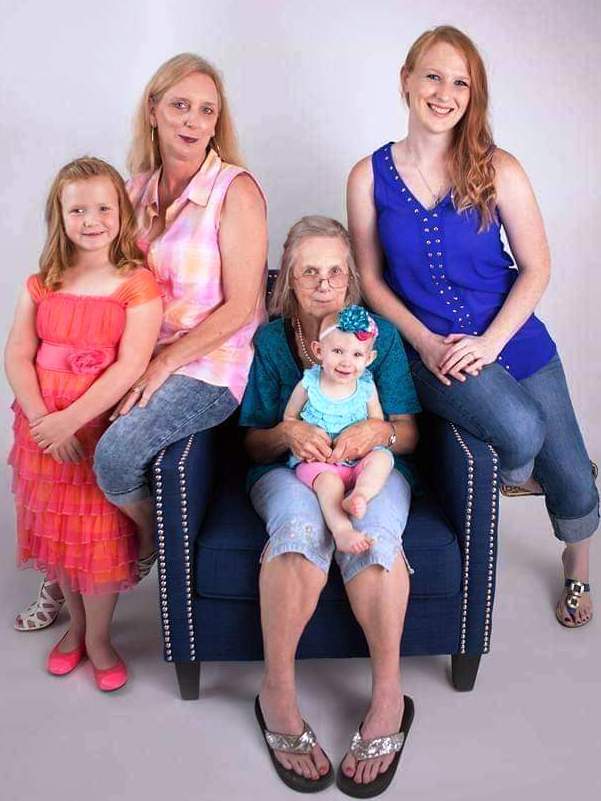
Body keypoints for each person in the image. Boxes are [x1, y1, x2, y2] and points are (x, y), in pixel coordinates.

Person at [347, 25, 599, 629]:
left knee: (571, 477)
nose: (445, 93)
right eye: (433, 76)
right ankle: (524, 467)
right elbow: (372, 281)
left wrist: (492, 342)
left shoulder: (498, 167)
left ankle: (578, 567)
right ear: (407, 81)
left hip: (512, 337)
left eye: (460, 83)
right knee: (520, 430)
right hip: (432, 349)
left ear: (473, 94)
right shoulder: (367, 176)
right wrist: (425, 342)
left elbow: (537, 267)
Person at [14, 52, 269, 627]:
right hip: (129, 353)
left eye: (206, 110)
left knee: (115, 455)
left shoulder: (235, 191)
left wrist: (163, 363)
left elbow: (242, 307)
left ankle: (147, 543)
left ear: (218, 121)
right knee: (66, 437)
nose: (193, 121)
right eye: (179, 105)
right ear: (153, 110)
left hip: (207, 365)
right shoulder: (131, 190)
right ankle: (64, 573)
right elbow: (94, 272)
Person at [239, 216, 420, 796]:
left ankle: (389, 698)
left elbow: (409, 434)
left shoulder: (379, 337)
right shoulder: (273, 342)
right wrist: (287, 433)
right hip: (291, 469)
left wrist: (378, 432)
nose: (324, 283)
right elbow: (252, 443)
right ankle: (277, 694)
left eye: (336, 271)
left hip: (370, 468)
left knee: (376, 532)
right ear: (288, 278)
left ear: (351, 277)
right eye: (310, 271)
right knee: (298, 529)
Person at [5, 157, 163, 690]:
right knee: (60, 533)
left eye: (103, 208)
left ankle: (99, 638)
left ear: (121, 213)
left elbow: (130, 364)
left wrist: (71, 420)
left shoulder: (136, 283)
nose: (91, 220)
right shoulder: (43, 282)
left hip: (93, 427)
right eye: (77, 210)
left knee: (96, 536)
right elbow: (17, 354)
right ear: (60, 215)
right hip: (42, 430)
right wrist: (43, 421)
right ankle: (74, 629)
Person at [284, 305, 394, 554]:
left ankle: (360, 495)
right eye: (337, 351)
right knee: (328, 484)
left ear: (369, 358)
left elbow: (376, 425)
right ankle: (342, 530)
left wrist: (366, 446)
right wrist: (303, 434)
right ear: (318, 351)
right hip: (320, 463)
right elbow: (289, 418)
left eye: (357, 355)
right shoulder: (309, 384)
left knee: (383, 459)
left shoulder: (366, 387)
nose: (346, 362)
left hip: (357, 461)